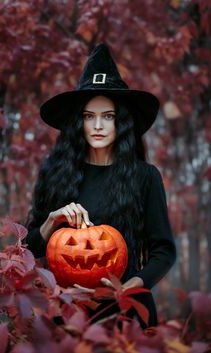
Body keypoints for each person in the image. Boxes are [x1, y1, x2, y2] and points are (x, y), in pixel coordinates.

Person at [25, 43, 176, 328]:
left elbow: (164, 251)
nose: (98, 125)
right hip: (67, 315)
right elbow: (27, 251)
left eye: (108, 116)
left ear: (121, 123)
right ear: (77, 123)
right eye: (88, 116)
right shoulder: (54, 174)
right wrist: (50, 221)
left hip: (126, 314)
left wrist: (124, 290)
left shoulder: (145, 176)